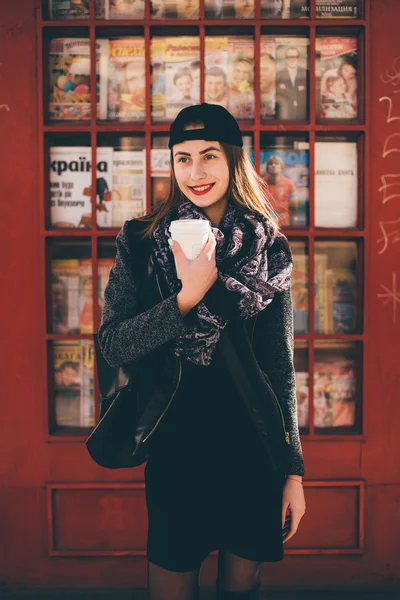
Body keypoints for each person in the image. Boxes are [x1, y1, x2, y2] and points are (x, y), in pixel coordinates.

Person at [98, 102, 305, 600]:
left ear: (233, 161)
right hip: (175, 449)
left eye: (209, 156)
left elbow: (279, 366)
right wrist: (186, 298)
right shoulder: (141, 241)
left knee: (242, 589)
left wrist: (293, 471)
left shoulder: (268, 247)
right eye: (183, 157)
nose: (196, 172)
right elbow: (112, 345)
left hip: (252, 451)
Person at [262, 155, 297, 227]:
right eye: (270, 164)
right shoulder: (261, 183)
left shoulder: (289, 184)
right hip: (266, 224)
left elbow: (294, 207)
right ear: (267, 168)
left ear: (281, 167)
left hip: (284, 225)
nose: (273, 165)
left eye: (276, 163)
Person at [276, 46, 308, 120]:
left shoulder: (306, 73)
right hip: (285, 115)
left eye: (295, 57)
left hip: (303, 116)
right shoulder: (278, 75)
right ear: (285, 58)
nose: (292, 59)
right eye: (289, 57)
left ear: (298, 58)